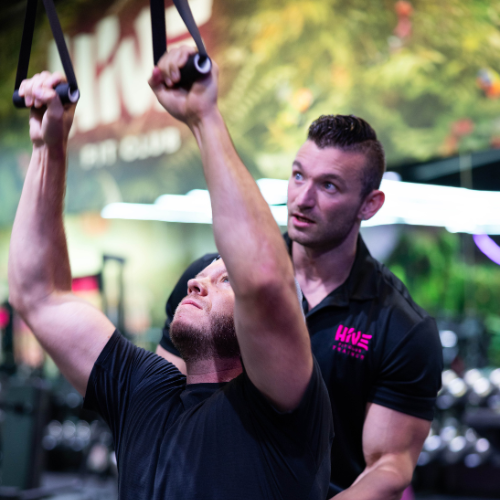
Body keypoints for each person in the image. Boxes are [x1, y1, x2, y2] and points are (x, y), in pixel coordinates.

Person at [8, 50, 334, 500]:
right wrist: (49, 146)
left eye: (225, 281)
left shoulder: (281, 405)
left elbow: (262, 279)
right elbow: (38, 294)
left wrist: (204, 118)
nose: (197, 281)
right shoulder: (143, 390)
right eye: (204, 275)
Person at [157, 113, 444, 497]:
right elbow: (163, 398)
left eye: (328, 186)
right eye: (298, 176)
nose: (302, 199)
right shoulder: (211, 281)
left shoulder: (402, 327)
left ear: (369, 204)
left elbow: (388, 466)